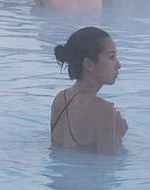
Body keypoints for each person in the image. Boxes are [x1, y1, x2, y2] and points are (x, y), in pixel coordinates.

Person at [51, 27, 127, 155]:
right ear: (89, 65)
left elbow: (58, 151)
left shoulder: (60, 99)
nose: (118, 65)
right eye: (111, 56)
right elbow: (107, 166)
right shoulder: (103, 110)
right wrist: (118, 134)